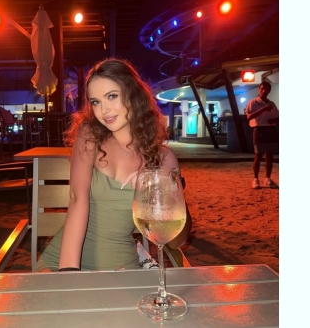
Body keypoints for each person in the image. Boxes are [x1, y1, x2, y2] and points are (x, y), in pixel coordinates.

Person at [35, 58, 192, 272]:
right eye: (95, 102)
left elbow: (175, 241)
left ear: (133, 94)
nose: (104, 110)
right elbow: (77, 199)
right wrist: (69, 273)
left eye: (112, 96)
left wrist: (161, 188)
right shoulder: (90, 135)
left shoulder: (164, 158)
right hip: (62, 260)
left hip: (120, 267)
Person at [245, 81, 279, 189]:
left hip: (270, 130)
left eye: (266, 89)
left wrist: (273, 120)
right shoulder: (253, 102)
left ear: (269, 91)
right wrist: (263, 109)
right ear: (259, 89)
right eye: (262, 88)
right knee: (258, 155)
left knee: (269, 155)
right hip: (259, 129)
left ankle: (267, 179)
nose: (264, 91)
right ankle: (255, 179)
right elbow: (249, 116)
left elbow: (277, 116)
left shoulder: (271, 104)